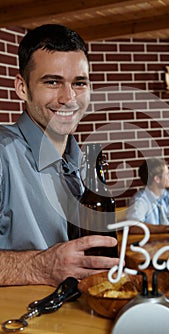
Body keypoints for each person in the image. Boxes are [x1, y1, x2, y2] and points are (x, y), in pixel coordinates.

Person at [0, 24, 119, 287]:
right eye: (52, 82)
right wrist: (39, 267)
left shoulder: (83, 163)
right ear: (22, 88)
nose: (69, 97)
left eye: (79, 83)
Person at [126, 158, 169, 233]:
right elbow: (134, 227)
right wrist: (168, 229)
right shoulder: (141, 200)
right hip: (148, 243)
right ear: (157, 179)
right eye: (167, 174)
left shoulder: (168, 196)